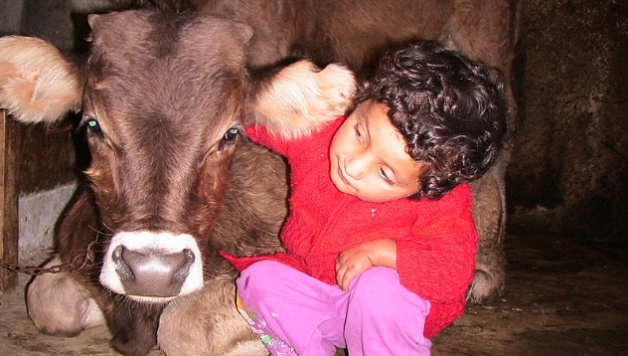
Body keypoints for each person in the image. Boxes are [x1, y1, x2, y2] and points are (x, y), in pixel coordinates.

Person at [220, 40, 508, 356]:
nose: (353, 165)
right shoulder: (319, 133)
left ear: (428, 187)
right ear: (363, 99)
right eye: (359, 133)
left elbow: (453, 274)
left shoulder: (442, 203)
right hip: (319, 289)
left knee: (378, 288)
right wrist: (235, 104)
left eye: (385, 173)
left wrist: (387, 254)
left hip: (390, 314)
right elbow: (261, 121)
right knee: (258, 282)